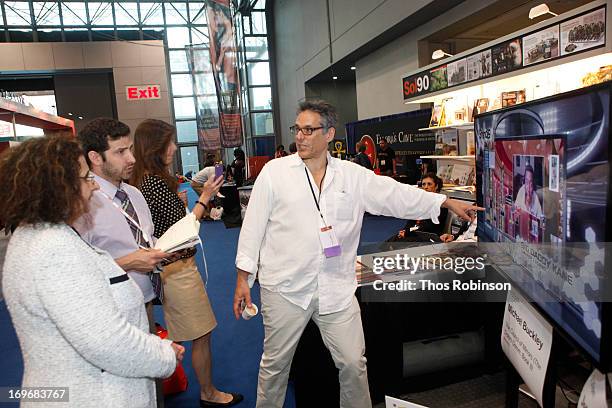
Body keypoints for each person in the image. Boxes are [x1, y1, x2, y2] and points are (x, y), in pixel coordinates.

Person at [232, 100, 480, 408]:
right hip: (284, 289)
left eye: (310, 130)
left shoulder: (352, 175)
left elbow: (394, 195)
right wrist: (244, 278)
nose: (301, 136)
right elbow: (252, 227)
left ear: (329, 134)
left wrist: (444, 202)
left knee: (353, 364)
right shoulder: (274, 173)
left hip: (336, 287)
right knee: (275, 368)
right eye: (298, 129)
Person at [0, 136, 183, 407]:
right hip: (90, 394)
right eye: (86, 178)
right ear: (59, 188)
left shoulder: (40, 237)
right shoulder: (53, 250)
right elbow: (106, 342)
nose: (94, 186)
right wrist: (163, 354)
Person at [131, 119, 243, 407]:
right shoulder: (153, 183)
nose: (174, 147)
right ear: (156, 147)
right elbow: (185, 230)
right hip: (176, 270)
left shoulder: (148, 181)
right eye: (169, 142)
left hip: (172, 269)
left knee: (197, 331)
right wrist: (204, 197)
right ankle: (208, 393)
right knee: (201, 332)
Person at [74, 118, 172, 408]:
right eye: (120, 152)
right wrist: (131, 261)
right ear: (95, 158)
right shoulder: (83, 204)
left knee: (153, 386)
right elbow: (79, 271)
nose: (131, 159)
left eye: (130, 149)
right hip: (111, 315)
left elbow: (147, 238)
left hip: (146, 303)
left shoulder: (135, 195)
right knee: (123, 391)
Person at [391, 173, 447, 241]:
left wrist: (408, 232)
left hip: (429, 236)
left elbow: (428, 227)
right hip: (415, 233)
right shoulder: (420, 202)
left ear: (436, 186)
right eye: (424, 184)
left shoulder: (441, 205)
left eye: (429, 184)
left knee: (399, 242)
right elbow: (411, 221)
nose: (426, 187)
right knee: (391, 240)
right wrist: (405, 230)